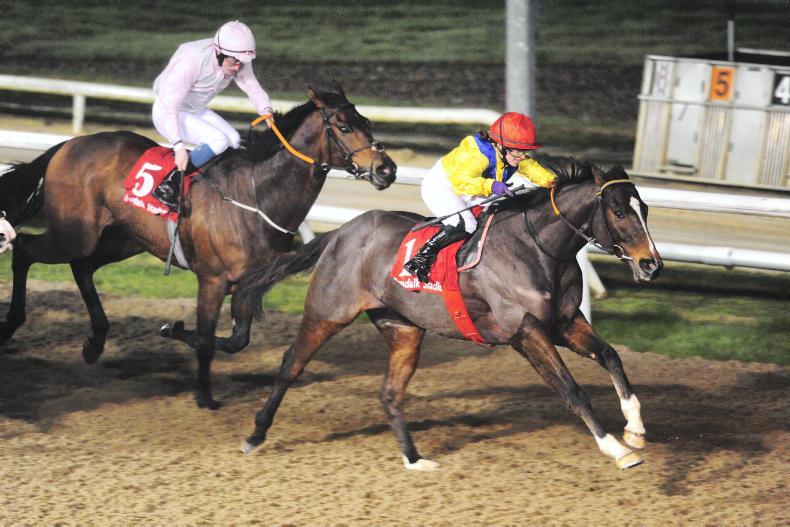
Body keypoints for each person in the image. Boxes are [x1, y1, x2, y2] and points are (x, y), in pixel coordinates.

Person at [403, 112, 557, 283]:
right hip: (443, 186)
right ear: (501, 145)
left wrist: (552, 181)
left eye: (525, 152)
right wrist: (492, 186)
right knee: (466, 224)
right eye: (518, 153)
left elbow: (530, 167)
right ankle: (420, 258)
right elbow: (461, 181)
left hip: (472, 189)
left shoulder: (511, 154)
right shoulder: (477, 154)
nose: (521, 157)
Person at [151, 20, 273, 210]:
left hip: (195, 109)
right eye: (234, 62)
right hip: (167, 112)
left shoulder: (235, 56)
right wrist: (178, 146)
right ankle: (169, 183)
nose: (237, 68)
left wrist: (267, 111)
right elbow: (170, 106)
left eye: (241, 63)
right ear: (219, 52)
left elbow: (251, 86)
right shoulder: (192, 59)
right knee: (218, 141)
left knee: (233, 140)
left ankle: (218, 187)